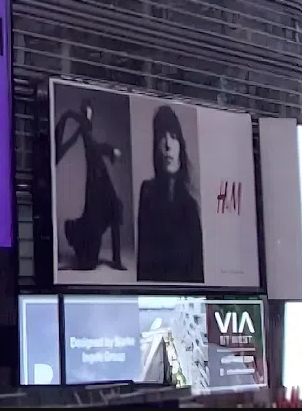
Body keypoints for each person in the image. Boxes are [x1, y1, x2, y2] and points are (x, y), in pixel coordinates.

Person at [54, 98, 127, 271]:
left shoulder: (85, 126)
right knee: (105, 214)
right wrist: (111, 150)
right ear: (86, 111)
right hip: (96, 180)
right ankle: (77, 233)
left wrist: (109, 151)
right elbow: (94, 147)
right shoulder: (85, 127)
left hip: (99, 175)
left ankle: (116, 259)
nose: (90, 114)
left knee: (115, 209)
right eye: (88, 110)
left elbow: (93, 148)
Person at [136, 105, 204, 283]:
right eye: (161, 137)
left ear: (181, 146)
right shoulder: (147, 193)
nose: (167, 145)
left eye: (173, 137)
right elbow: (143, 268)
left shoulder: (190, 206)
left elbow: (198, 275)